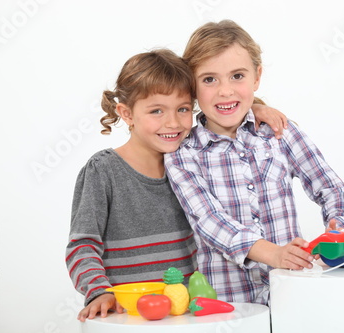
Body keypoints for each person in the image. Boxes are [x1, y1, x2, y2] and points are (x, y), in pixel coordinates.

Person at [65, 49, 287, 321]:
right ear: (126, 113)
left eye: (182, 109)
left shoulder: (194, 163)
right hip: (129, 316)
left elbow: (220, 118)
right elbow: (82, 244)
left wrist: (254, 108)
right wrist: (98, 291)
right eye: (156, 111)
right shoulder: (103, 171)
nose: (172, 122)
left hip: (188, 316)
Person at [164, 20, 344, 305]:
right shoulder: (182, 154)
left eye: (237, 76)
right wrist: (274, 254)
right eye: (209, 79)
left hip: (294, 295)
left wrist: (337, 232)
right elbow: (210, 221)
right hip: (229, 307)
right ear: (192, 88)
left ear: (257, 77)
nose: (225, 91)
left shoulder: (279, 132)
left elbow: (331, 188)